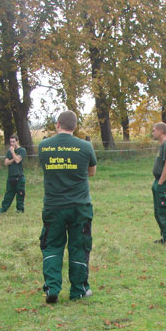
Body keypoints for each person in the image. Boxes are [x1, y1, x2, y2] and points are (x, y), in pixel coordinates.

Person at [38, 111, 97, 303]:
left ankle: (52, 288)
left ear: (57, 124)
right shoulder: (85, 146)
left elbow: (45, 169)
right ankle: (79, 289)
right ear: (75, 126)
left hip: (53, 206)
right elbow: (92, 172)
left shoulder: (44, 146)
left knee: (52, 245)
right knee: (79, 245)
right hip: (80, 206)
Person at [0, 135, 26, 213]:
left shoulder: (22, 150)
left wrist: (13, 153)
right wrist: (13, 159)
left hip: (19, 176)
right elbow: (6, 162)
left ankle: (20, 209)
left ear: (17, 141)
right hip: (11, 176)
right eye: (11, 142)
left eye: (13, 141)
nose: (12, 143)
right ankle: (4, 208)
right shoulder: (9, 151)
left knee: (20, 194)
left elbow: (18, 161)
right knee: (8, 193)